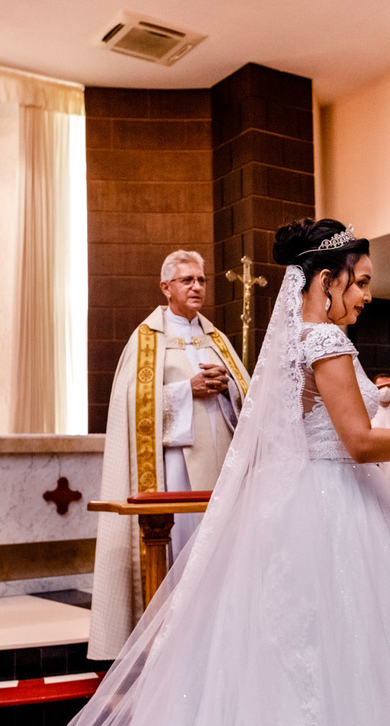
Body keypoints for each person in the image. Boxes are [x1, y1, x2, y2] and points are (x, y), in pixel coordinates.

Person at [2, 218, 390, 726]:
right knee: (355, 650)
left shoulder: (298, 343)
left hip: (314, 498)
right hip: (336, 509)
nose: (367, 295)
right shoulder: (327, 342)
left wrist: (384, 492)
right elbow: (359, 441)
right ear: (326, 279)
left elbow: (311, 435)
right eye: (360, 282)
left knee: (303, 652)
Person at [88, 249, 250, 660]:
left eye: (201, 280)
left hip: (222, 468)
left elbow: (250, 399)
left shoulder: (217, 338)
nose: (196, 287)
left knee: (222, 553)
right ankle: (178, 643)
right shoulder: (147, 339)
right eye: (186, 280)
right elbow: (130, 404)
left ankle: (223, 638)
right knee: (184, 552)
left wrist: (227, 384)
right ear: (166, 287)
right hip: (175, 469)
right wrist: (186, 390)